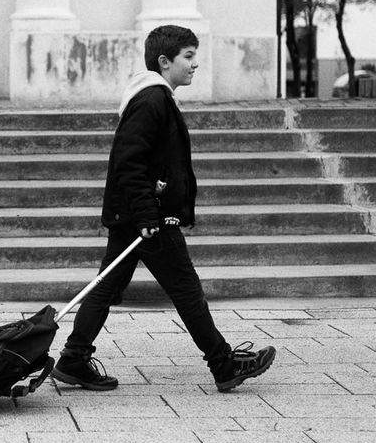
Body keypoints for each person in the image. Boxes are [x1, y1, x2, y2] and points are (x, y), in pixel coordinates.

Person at [52, 24, 277, 393]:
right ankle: (223, 365)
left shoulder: (155, 98)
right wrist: (146, 215)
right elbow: (128, 161)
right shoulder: (151, 100)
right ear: (164, 60)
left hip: (137, 215)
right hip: (149, 219)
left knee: (106, 288)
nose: (195, 64)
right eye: (188, 57)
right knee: (186, 290)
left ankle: (74, 360)